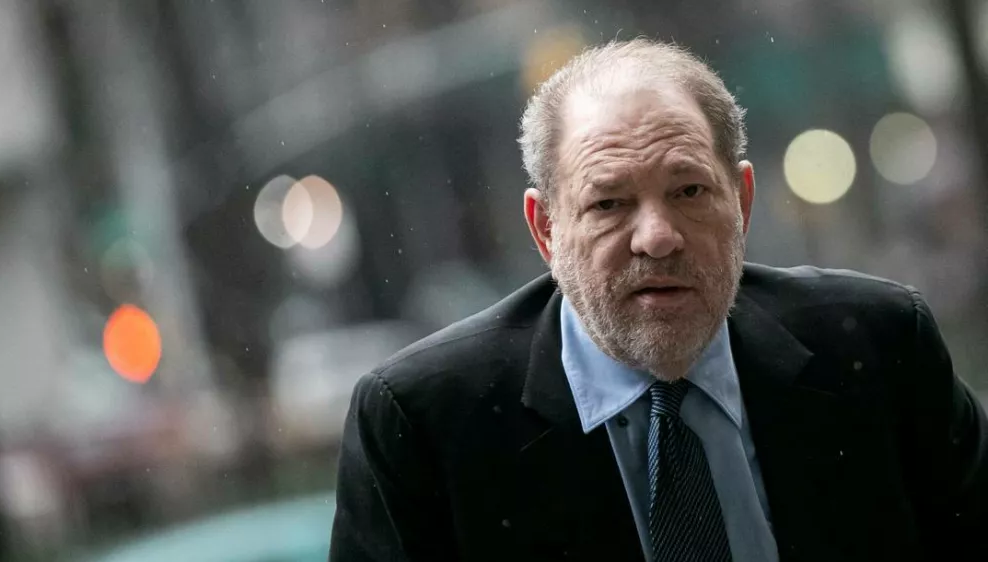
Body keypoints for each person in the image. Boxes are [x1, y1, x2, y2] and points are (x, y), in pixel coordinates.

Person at [328, 38, 988, 562]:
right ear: (546, 230)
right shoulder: (425, 423)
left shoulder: (877, 346)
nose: (658, 237)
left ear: (742, 203)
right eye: (609, 204)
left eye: (689, 191)